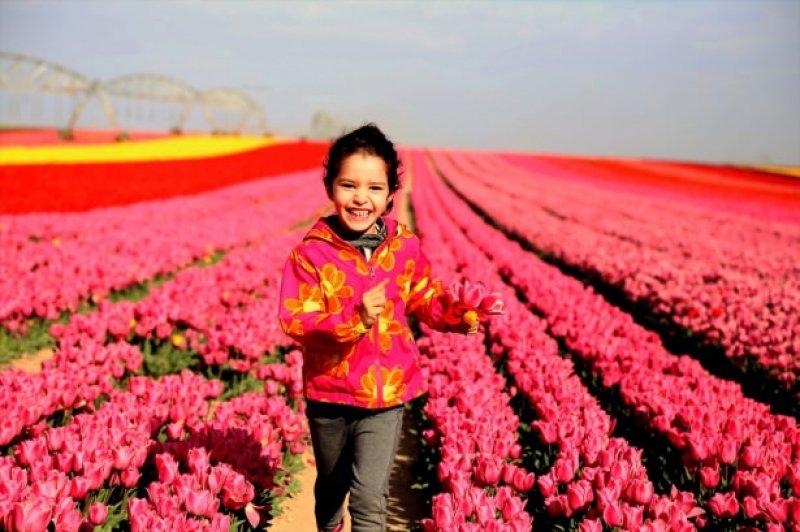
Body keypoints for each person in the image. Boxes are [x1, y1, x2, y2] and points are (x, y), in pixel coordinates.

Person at [278, 123, 480, 531]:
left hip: (386, 392)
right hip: (330, 391)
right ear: (331, 188)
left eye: (374, 188)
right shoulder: (311, 255)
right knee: (332, 486)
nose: (360, 198)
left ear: (390, 195)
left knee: (371, 497)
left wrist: (454, 314)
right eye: (349, 185)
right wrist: (354, 319)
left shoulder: (404, 246)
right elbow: (297, 319)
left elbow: (424, 293)